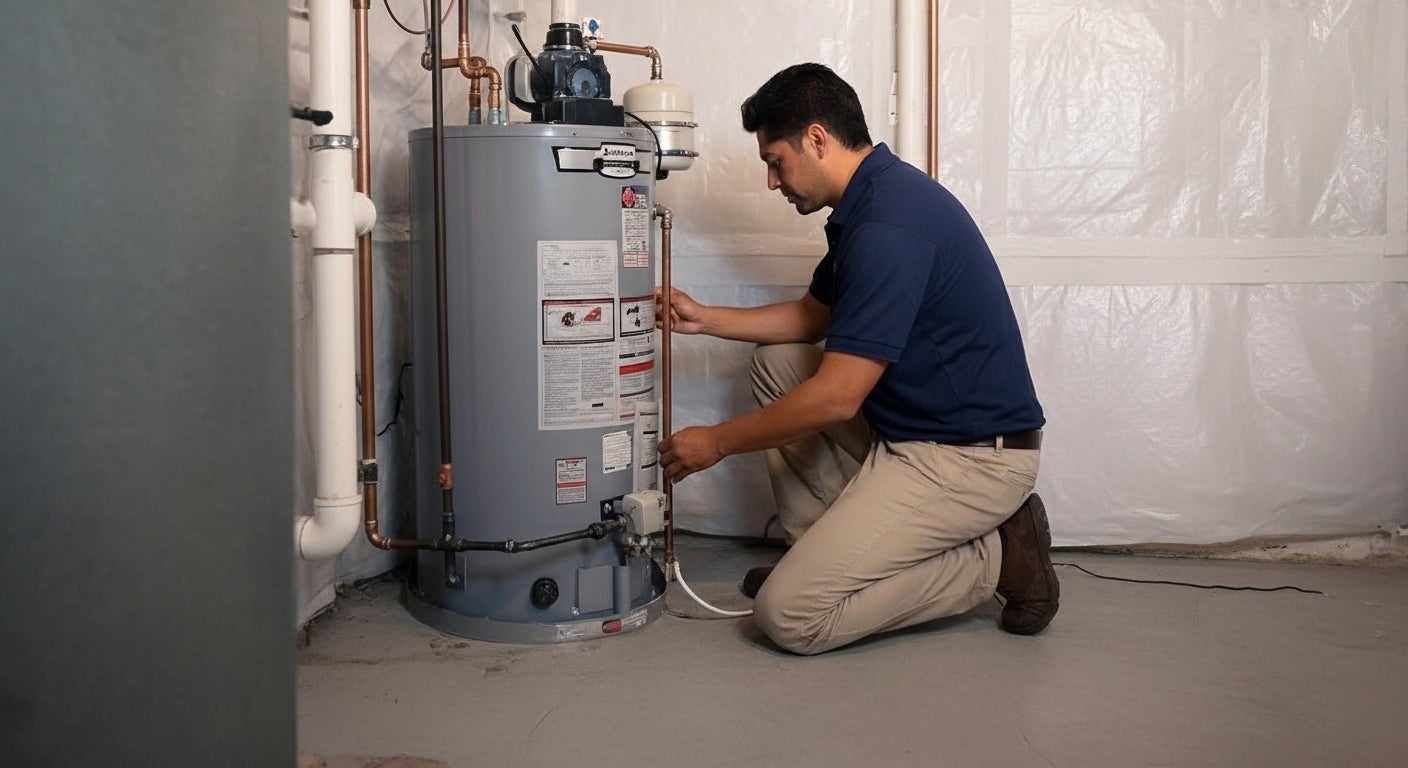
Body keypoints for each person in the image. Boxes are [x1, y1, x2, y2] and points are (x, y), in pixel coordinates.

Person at [656, 63, 1057, 655]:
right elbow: (814, 316)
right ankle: (820, 555)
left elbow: (838, 397)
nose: (772, 182)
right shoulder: (871, 200)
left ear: (817, 139)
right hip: (917, 428)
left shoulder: (888, 227)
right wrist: (705, 318)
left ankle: (995, 560)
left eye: (775, 161)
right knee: (779, 362)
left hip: (971, 459)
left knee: (789, 616)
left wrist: (715, 442)